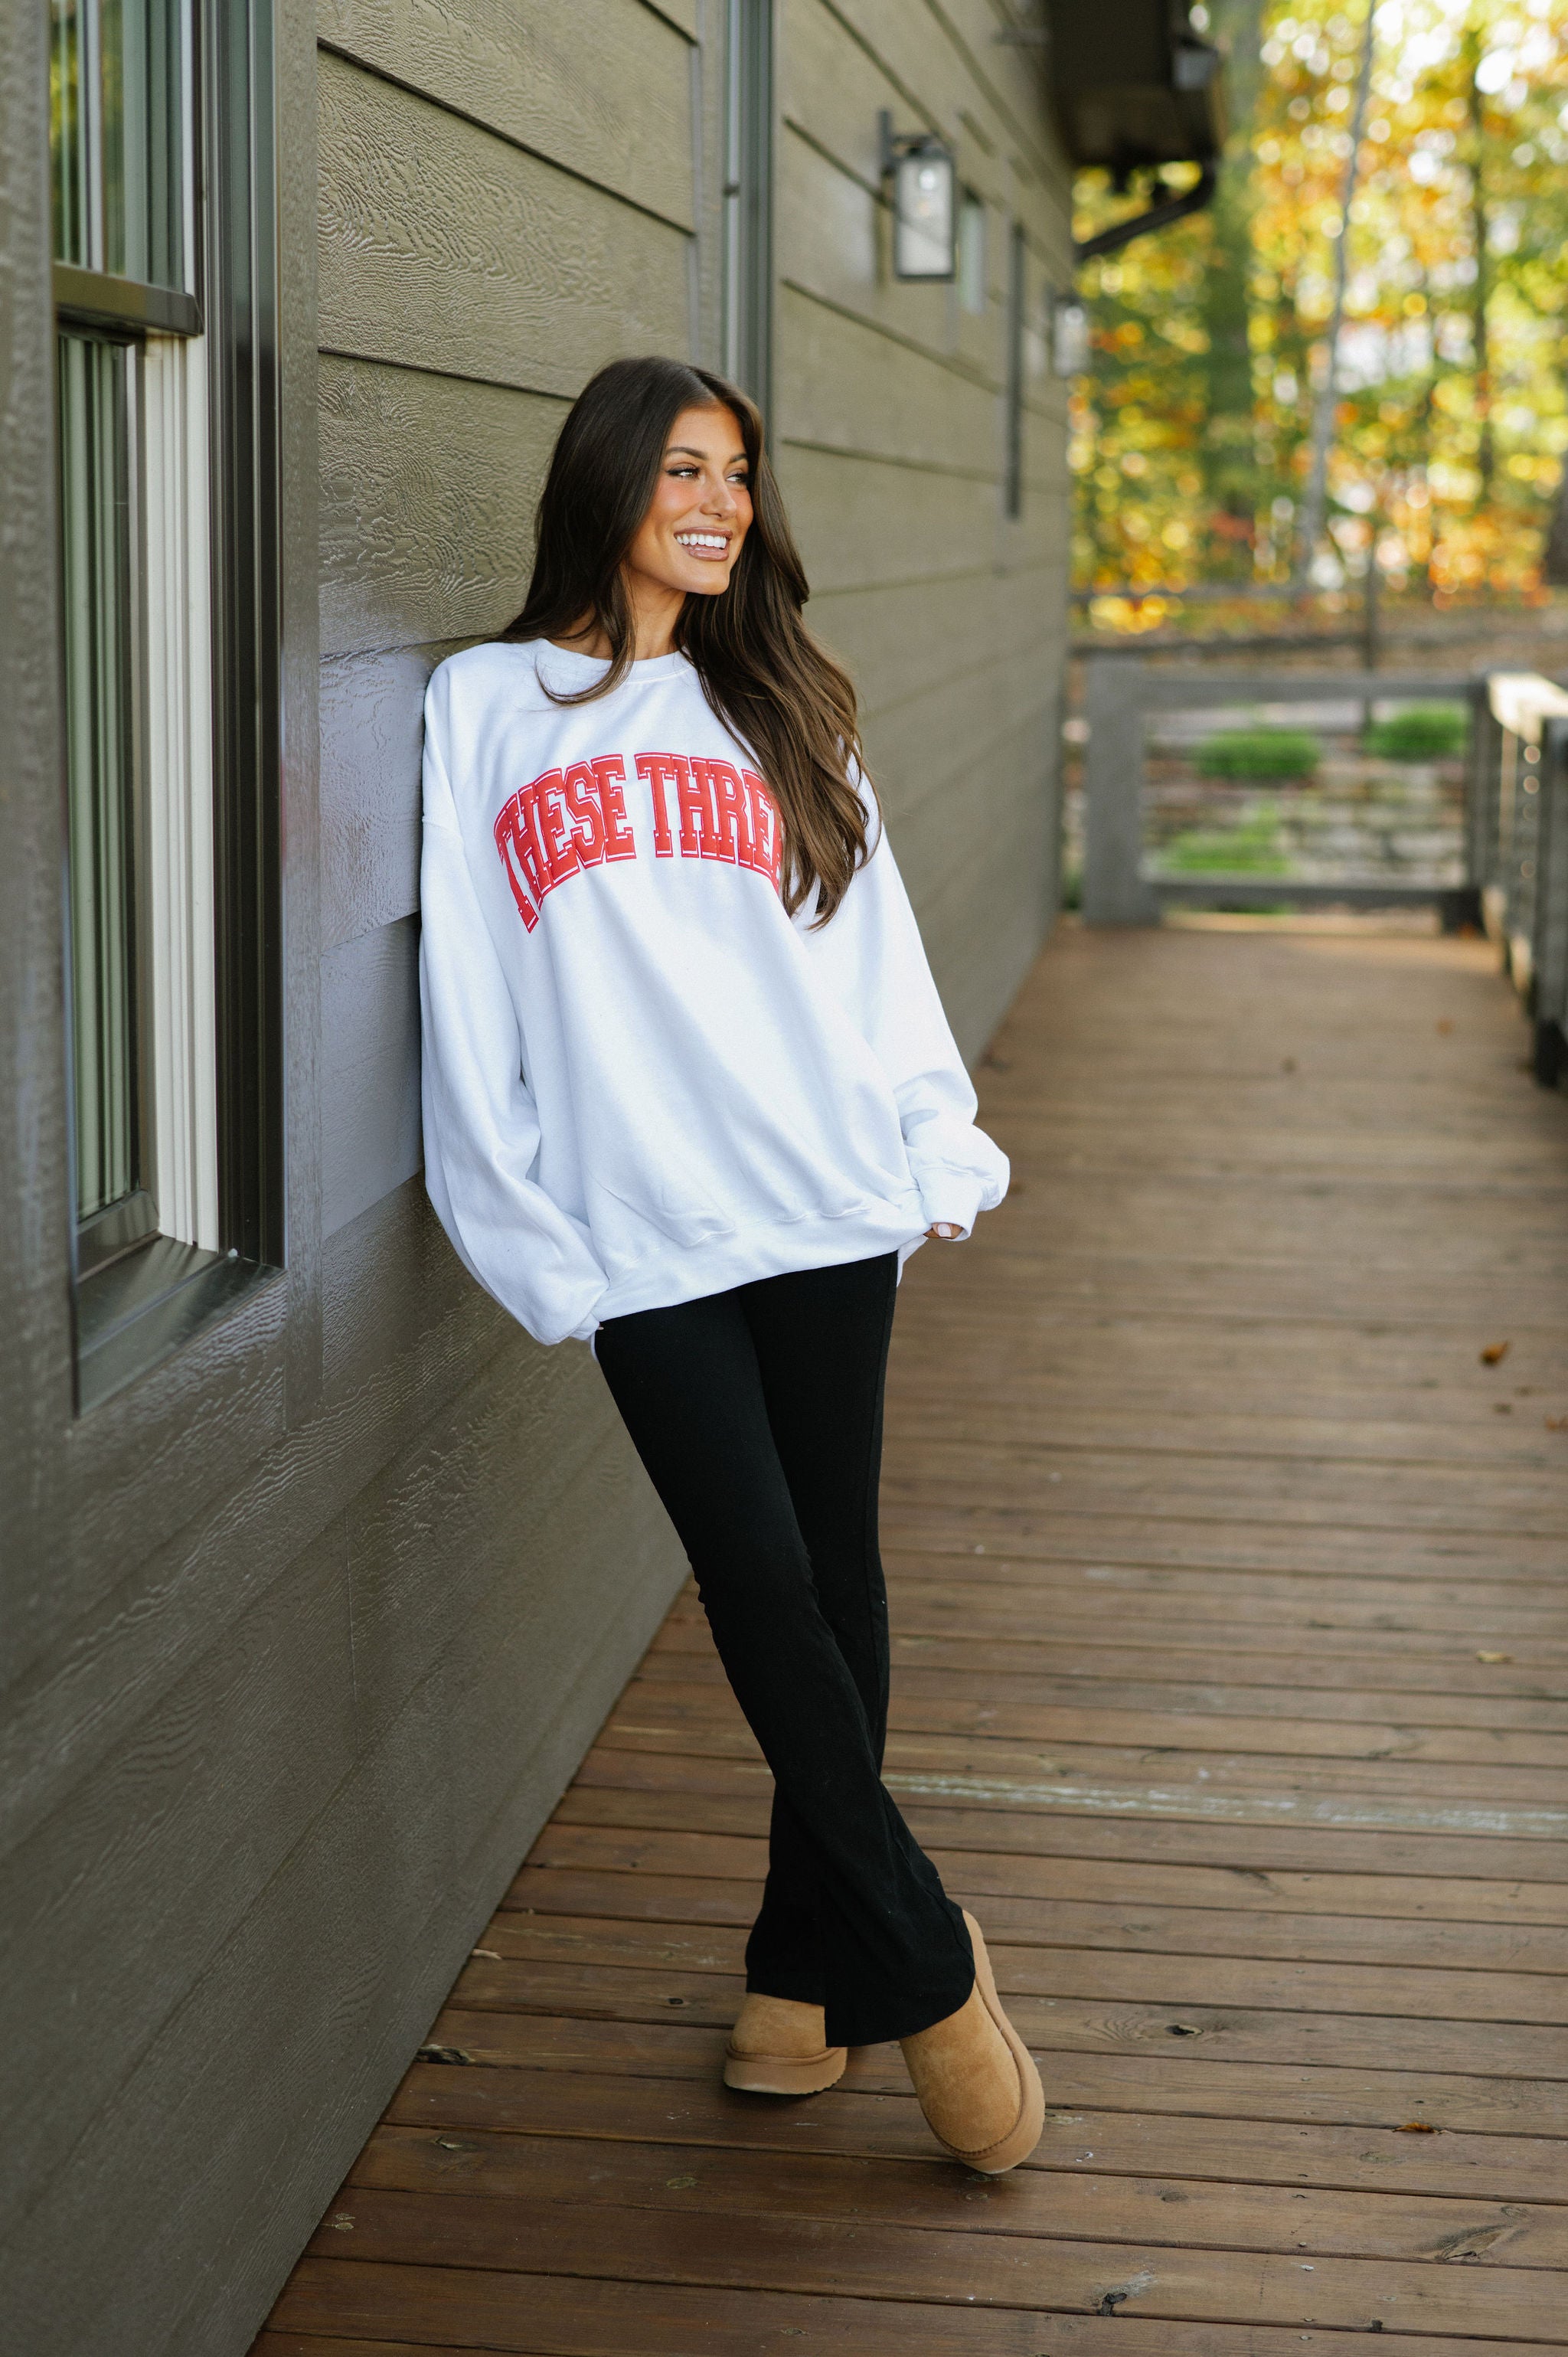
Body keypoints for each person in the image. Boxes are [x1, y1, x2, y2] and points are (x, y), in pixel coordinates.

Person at [418, 354, 1043, 2175]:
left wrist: (935, 1142)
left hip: (825, 1197)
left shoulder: (781, 704)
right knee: (755, 1579)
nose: (716, 503)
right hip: (640, 1229)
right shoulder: (488, 707)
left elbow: (874, 957)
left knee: (831, 1581)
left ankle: (796, 1971)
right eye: (683, 467)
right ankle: (926, 1965)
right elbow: (466, 993)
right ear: (606, 481)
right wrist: (523, 1229)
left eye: (739, 477)